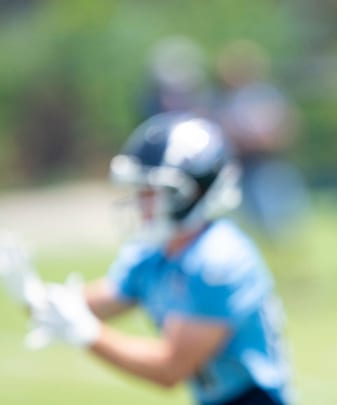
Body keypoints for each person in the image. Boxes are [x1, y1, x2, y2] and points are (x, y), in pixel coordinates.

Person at [22, 112, 293, 405]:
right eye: (141, 189)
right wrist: (25, 287)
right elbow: (82, 305)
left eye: (153, 191)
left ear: (195, 192)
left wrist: (85, 332)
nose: (142, 202)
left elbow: (169, 369)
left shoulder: (220, 260)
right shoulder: (156, 251)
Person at [212, 39, 308, 241]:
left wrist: (264, 139)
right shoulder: (224, 100)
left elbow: (287, 127)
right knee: (245, 225)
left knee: (282, 224)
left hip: (270, 166)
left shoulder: (268, 95)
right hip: (241, 168)